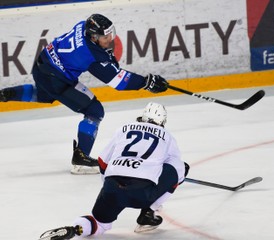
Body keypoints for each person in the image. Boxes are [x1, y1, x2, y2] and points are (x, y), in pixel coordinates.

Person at [0, 14, 169, 174]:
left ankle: (6, 94)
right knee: (94, 111)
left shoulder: (83, 26)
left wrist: (107, 56)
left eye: (111, 34)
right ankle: (81, 158)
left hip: (42, 66)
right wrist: (146, 82)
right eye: (105, 37)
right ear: (94, 37)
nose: (110, 39)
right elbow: (118, 81)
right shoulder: (91, 54)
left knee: (46, 95)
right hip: (56, 78)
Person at [39, 102, 190, 240]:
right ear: (162, 121)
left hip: (112, 189)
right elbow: (175, 166)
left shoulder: (123, 129)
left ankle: (75, 229)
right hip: (142, 195)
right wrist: (175, 177)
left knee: (99, 223)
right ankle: (148, 213)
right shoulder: (167, 137)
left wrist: (107, 187)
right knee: (180, 167)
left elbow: (103, 161)